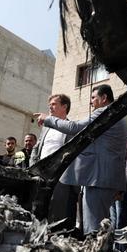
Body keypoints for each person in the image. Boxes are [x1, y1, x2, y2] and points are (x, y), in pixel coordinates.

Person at [34, 84, 127, 235]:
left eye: (93, 97)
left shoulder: (105, 113)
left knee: (93, 229)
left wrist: (48, 119)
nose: (91, 102)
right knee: (99, 227)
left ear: (104, 98)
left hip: (99, 179)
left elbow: (74, 127)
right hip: (102, 178)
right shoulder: (115, 115)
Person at [30, 94, 80, 228]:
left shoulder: (71, 128)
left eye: (53, 104)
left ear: (64, 107)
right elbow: (36, 149)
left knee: (59, 214)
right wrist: (33, 168)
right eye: (49, 104)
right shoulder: (46, 128)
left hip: (62, 178)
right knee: (39, 212)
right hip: (42, 177)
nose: (50, 107)